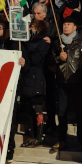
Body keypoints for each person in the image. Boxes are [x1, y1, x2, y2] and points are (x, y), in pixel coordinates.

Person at [52, 13, 82, 151]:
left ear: (75, 27)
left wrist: (81, 72)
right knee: (62, 112)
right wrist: (59, 58)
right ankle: (62, 139)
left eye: (69, 24)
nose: (65, 26)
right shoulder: (58, 42)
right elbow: (50, 61)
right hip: (62, 82)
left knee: (80, 112)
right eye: (64, 24)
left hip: (77, 82)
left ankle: (81, 140)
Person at [15, 19, 51, 148]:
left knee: (37, 108)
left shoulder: (43, 42)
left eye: (32, 26)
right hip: (27, 79)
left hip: (36, 78)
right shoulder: (28, 42)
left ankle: (39, 136)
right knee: (29, 110)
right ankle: (33, 135)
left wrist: (25, 49)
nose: (30, 29)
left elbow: (36, 59)